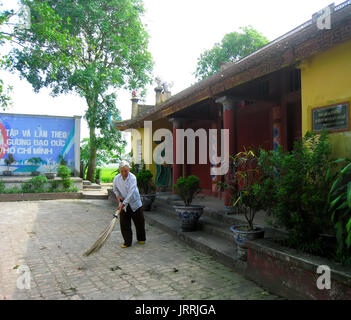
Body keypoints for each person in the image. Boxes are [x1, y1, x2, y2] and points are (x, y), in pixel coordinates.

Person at [113, 162, 146, 248]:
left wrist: (123, 203)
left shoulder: (133, 178)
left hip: (135, 202)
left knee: (140, 222)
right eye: (122, 171)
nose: (124, 173)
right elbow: (115, 189)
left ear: (129, 170)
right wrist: (118, 196)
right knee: (124, 223)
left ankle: (141, 238)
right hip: (124, 204)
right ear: (119, 170)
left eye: (126, 171)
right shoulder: (116, 178)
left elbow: (131, 192)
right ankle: (127, 242)